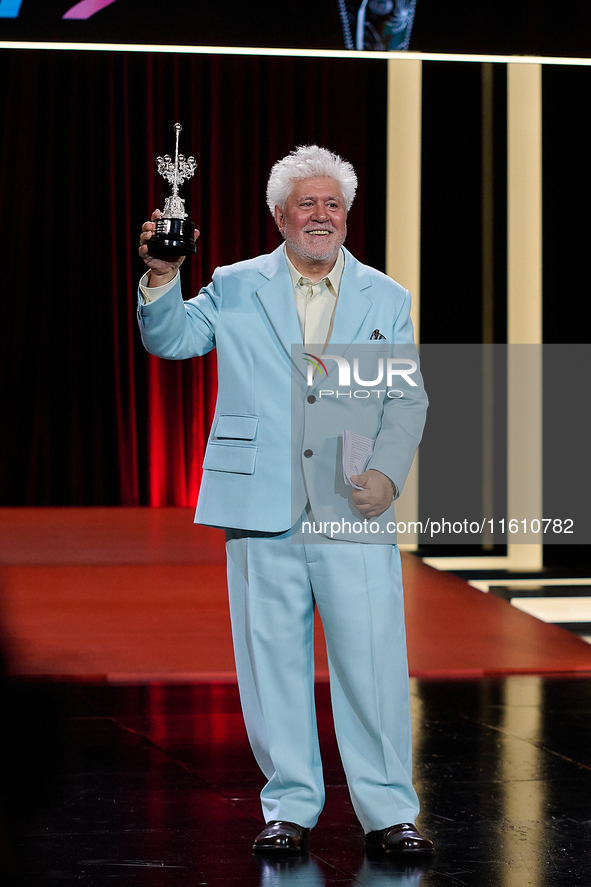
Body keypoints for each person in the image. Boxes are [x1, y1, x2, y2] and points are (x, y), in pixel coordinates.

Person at [137, 145, 432, 855]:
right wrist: (161, 275)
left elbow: (404, 399)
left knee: (372, 662)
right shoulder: (234, 284)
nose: (321, 215)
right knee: (271, 664)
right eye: (307, 203)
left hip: (350, 501)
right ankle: (289, 807)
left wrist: (388, 475)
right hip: (259, 502)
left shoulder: (384, 297)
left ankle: (388, 812)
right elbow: (173, 339)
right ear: (279, 215)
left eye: (333, 204)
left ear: (347, 215)